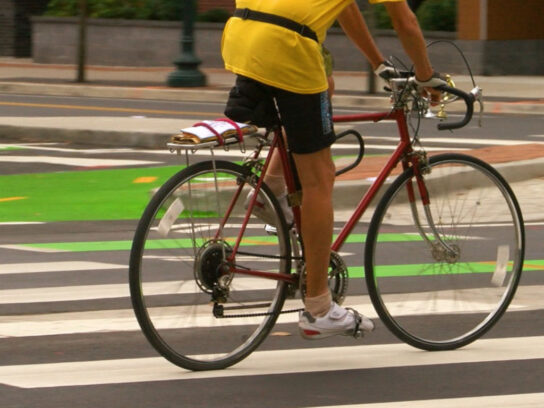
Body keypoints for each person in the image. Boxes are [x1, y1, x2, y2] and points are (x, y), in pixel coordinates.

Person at [221, 0, 444, 340]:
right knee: (319, 179)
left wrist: (378, 64)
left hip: (242, 34)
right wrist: (427, 77)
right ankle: (319, 307)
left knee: (323, 83)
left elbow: (346, 8)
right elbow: (404, 19)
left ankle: (272, 188)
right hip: (287, 47)